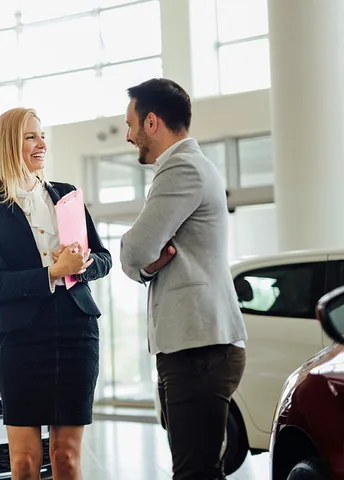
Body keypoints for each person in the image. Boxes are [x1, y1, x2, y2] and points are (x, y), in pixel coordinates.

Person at [119, 78, 247, 480]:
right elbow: (147, 258)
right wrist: (149, 266)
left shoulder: (181, 168)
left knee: (195, 472)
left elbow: (134, 249)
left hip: (199, 348)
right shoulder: (191, 165)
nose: (128, 136)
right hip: (197, 346)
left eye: (130, 124)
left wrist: (141, 261)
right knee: (199, 468)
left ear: (151, 122)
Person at [0, 107, 112, 480]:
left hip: (76, 332)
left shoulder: (67, 197)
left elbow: (104, 258)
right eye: (30, 136)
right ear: (8, 145)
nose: (41, 144)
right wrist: (52, 272)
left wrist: (81, 265)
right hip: (21, 338)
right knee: (24, 461)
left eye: (42, 135)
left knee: (65, 456)